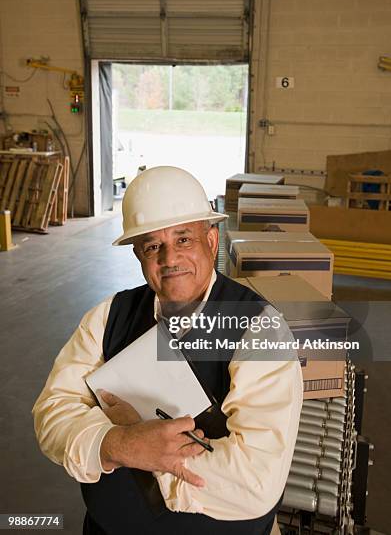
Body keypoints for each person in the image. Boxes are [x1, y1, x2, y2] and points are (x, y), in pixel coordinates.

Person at [32, 166, 303, 535]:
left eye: (183, 240)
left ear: (211, 240)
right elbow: (52, 413)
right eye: (153, 246)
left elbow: (255, 483)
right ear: (138, 255)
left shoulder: (258, 330)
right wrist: (117, 441)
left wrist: (137, 444)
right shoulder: (109, 317)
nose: (169, 259)